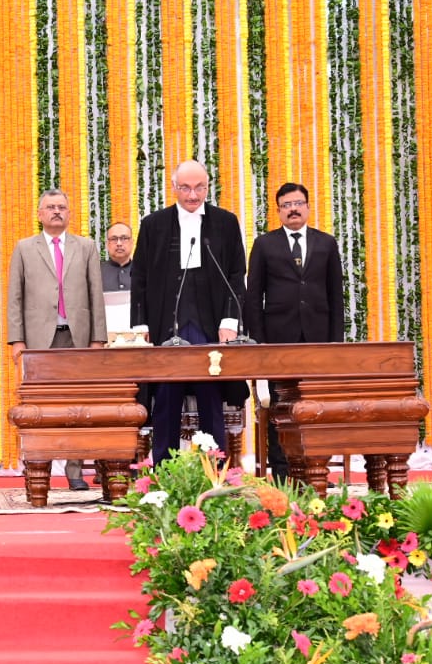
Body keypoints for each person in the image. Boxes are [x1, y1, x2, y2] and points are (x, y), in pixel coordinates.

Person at [130, 160, 247, 465]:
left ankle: (216, 469)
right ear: (174, 188)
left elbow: (236, 275)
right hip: (166, 325)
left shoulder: (225, 222)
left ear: (208, 187)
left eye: (200, 187)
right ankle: (164, 471)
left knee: (211, 396)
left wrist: (230, 321)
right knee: (167, 397)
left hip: (210, 325)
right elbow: (139, 277)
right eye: (186, 187)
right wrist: (140, 326)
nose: (193, 195)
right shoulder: (154, 225)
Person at [243, 181, 345, 481]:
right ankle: (282, 472)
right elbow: (253, 297)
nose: (293, 209)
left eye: (298, 203)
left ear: (308, 207)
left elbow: (335, 296)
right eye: (286, 205)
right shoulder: (265, 244)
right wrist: (259, 342)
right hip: (278, 341)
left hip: (317, 341)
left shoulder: (326, 243)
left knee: (314, 404)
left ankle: (316, 466)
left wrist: (334, 344)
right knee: (280, 406)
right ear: (278, 212)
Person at [7, 188, 107, 491]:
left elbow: (95, 295)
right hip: (39, 343)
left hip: (77, 340)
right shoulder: (25, 248)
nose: (56, 212)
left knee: (78, 407)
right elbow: (15, 298)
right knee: (39, 408)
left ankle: (75, 473)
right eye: (50, 207)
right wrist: (17, 340)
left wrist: (97, 339)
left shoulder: (86, 247)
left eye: (62, 207)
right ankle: (40, 470)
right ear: (39, 214)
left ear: (69, 212)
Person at [101, 221, 134, 293]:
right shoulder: (96, 271)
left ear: (132, 242)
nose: (119, 243)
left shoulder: (144, 271)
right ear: (107, 244)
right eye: (114, 239)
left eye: (124, 238)